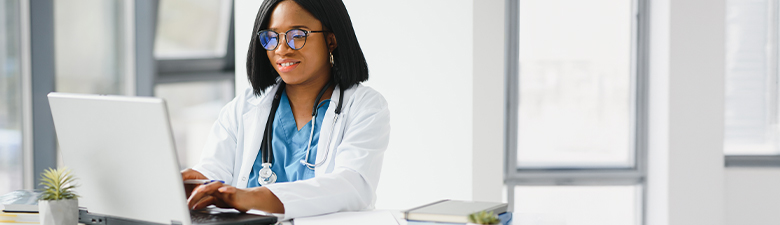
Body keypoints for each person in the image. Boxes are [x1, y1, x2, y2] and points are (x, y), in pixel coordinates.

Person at [181, 0, 390, 218]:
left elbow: (352, 186)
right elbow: (215, 171)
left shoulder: (365, 106)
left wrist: (252, 197)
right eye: (272, 37)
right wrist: (197, 181)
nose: (282, 49)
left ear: (331, 39)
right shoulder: (243, 107)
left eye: (297, 35)